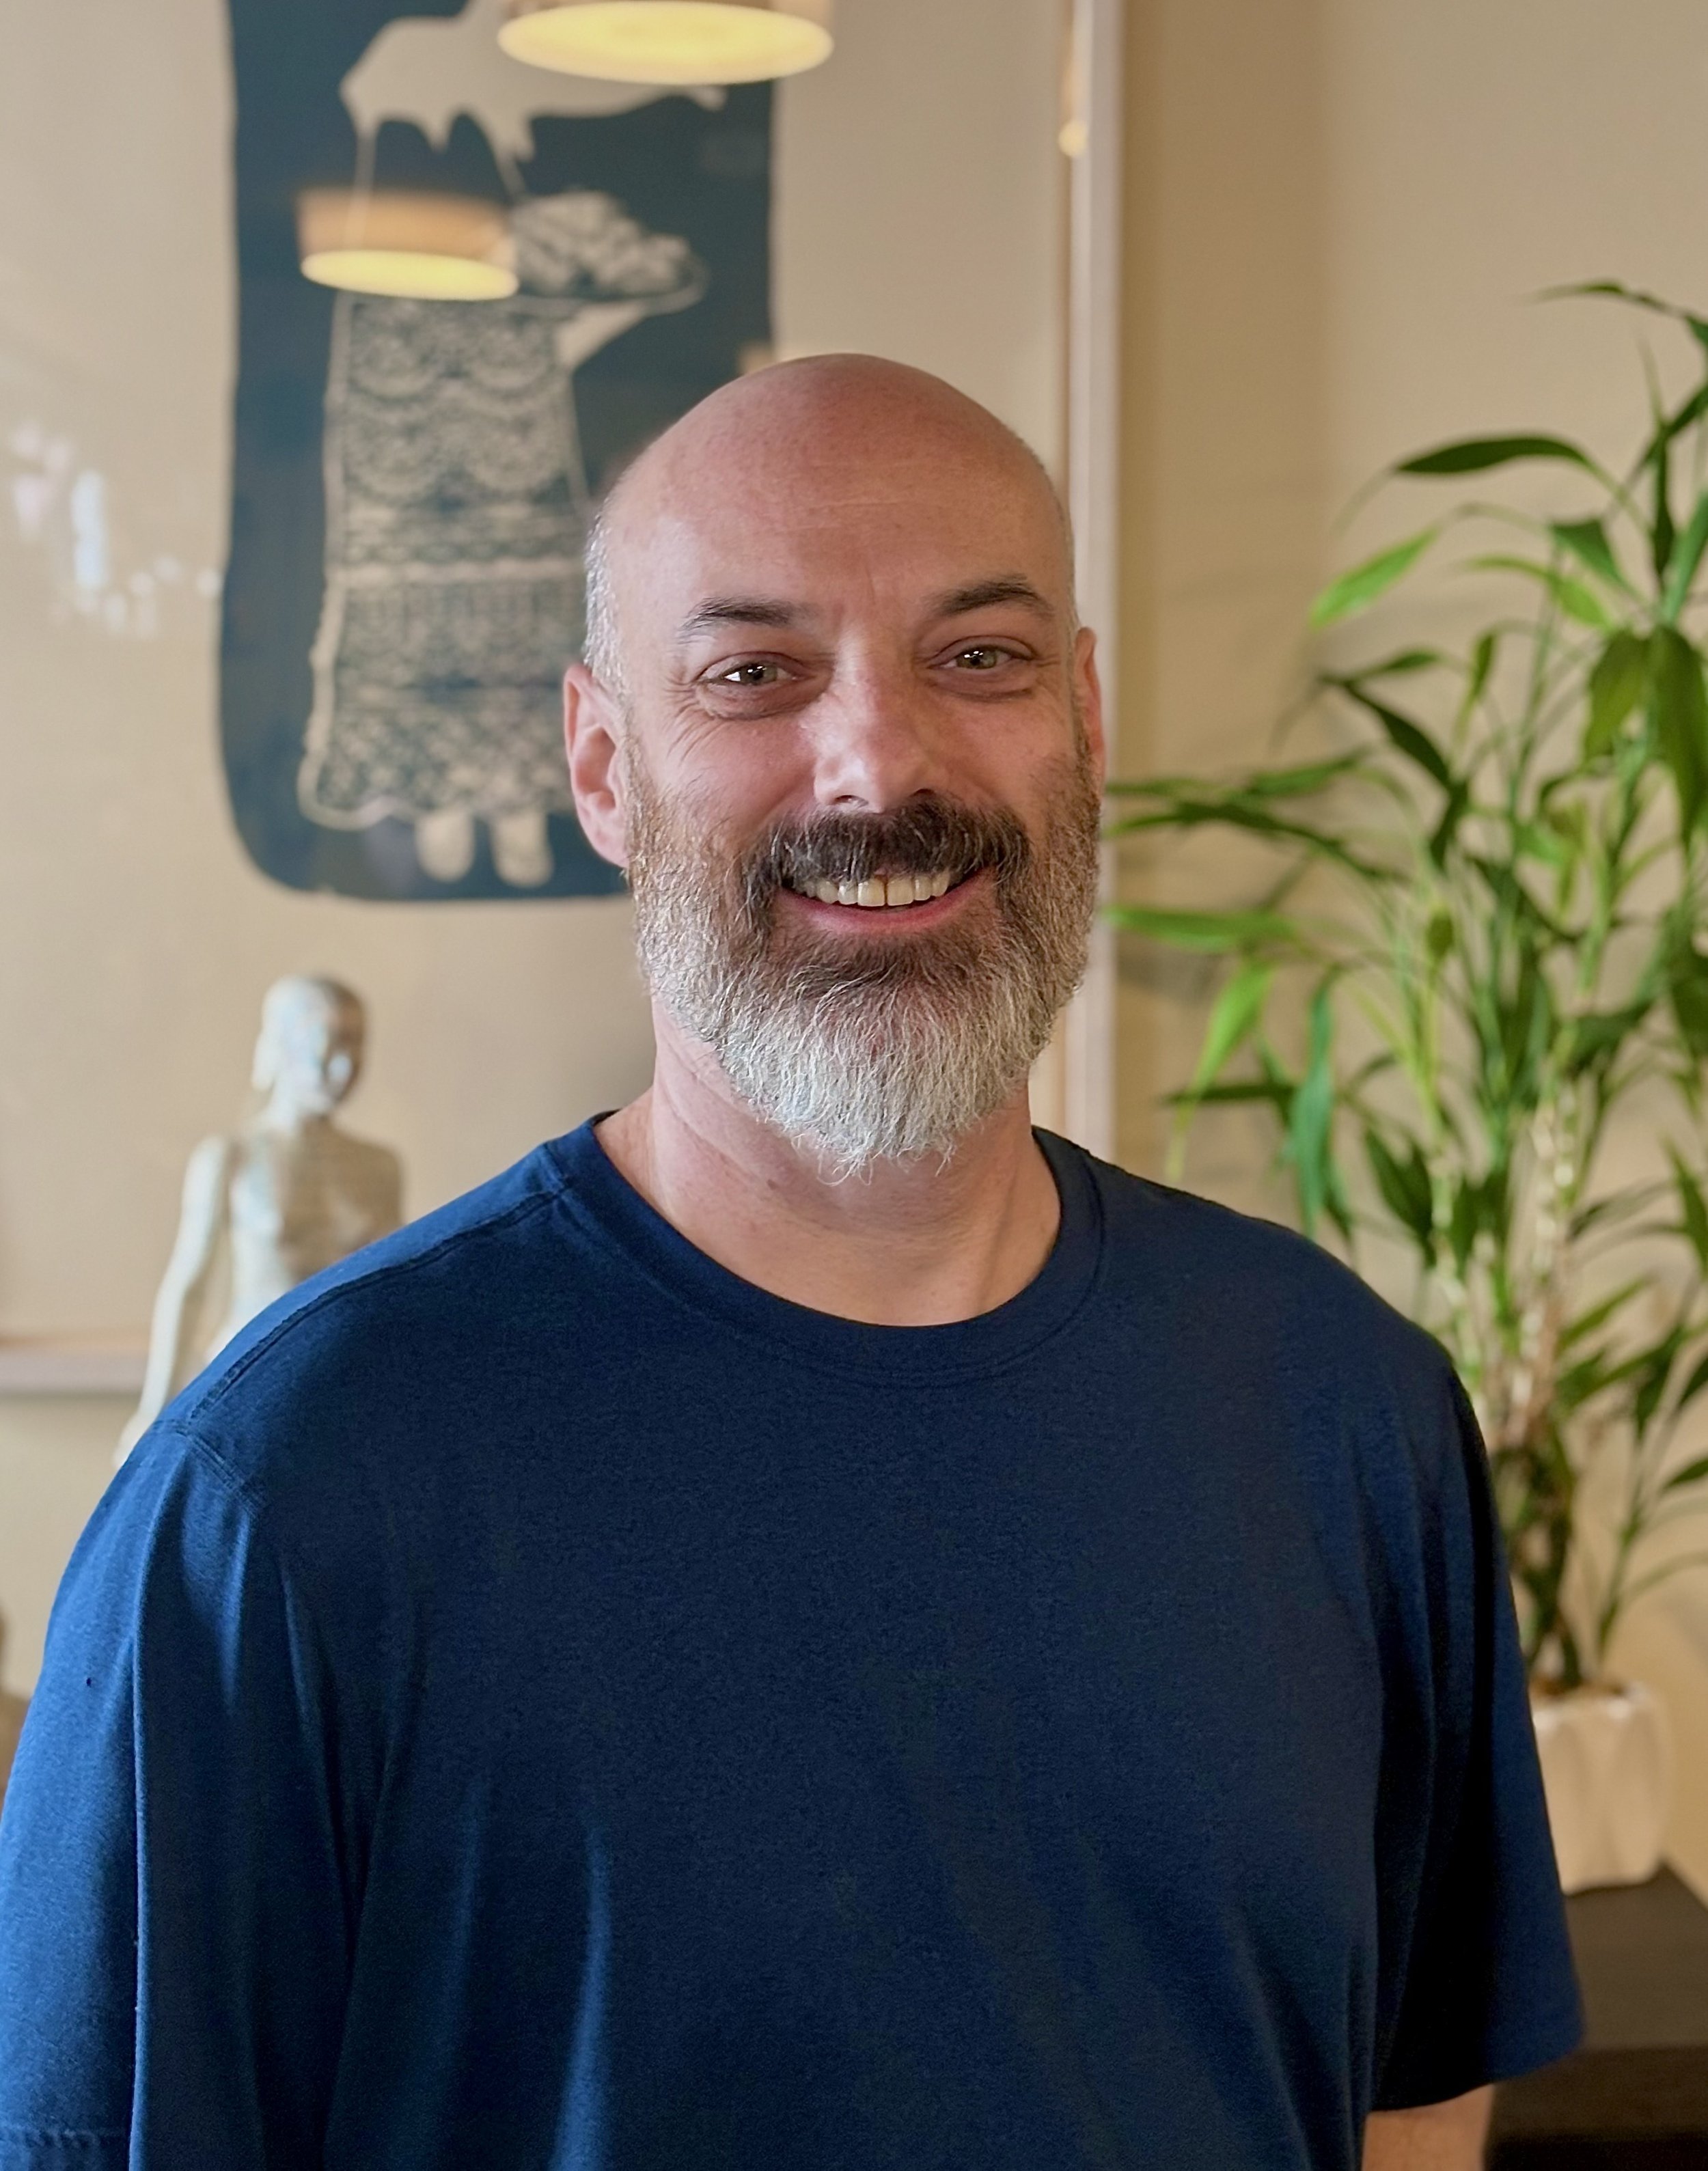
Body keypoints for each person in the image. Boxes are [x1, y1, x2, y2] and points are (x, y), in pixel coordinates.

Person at [0, 357, 1578, 2170]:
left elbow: (1409, 2109)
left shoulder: (1337, 1407)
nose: (878, 763)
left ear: (1081, 716)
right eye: (752, 673)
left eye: (974, 658)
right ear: (603, 764)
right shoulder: (276, 1503)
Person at [117, 974, 403, 1460]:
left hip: (346, 1391)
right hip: (245, 1384)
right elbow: (189, 1286)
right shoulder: (232, 1158)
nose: (344, 1067)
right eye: (327, 1044)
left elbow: (395, 1293)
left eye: (356, 1047)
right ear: (280, 1046)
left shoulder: (379, 1166)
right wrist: (154, 1410)